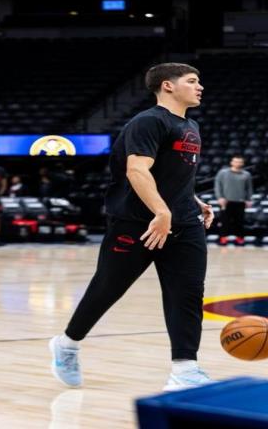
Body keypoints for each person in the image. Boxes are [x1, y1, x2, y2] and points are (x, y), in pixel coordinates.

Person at [49, 62, 214, 391]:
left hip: (183, 223)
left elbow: (172, 173)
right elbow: (137, 170)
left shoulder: (191, 125)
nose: (200, 87)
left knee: (187, 294)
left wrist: (193, 199)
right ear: (168, 85)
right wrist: (161, 210)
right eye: (192, 81)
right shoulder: (148, 121)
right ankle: (67, 344)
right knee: (108, 288)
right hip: (137, 222)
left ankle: (185, 370)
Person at [214, 155, 253, 245]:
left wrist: (249, 199)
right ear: (231, 162)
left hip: (240, 201)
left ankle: (240, 238)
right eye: (235, 161)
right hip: (226, 201)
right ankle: (223, 238)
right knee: (225, 221)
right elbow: (218, 185)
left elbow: (249, 188)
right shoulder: (223, 173)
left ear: (242, 163)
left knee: (239, 221)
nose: (237, 163)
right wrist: (220, 197)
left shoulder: (246, 174)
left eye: (239, 162)